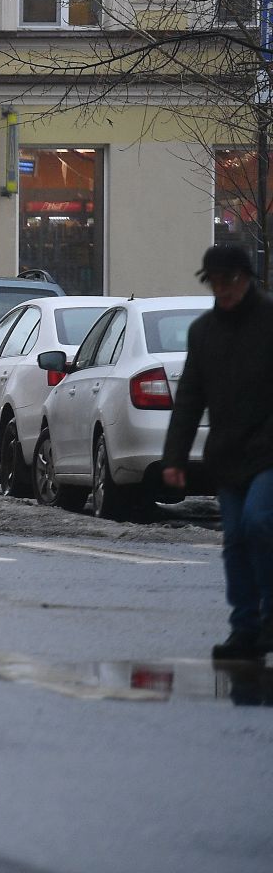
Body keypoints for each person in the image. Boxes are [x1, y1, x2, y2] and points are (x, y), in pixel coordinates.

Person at [162, 244, 273, 662]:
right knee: (234, 541)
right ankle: (244, 628)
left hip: (268, 452)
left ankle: (269, 618)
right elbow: (190, 396)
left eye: (231, 281)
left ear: (247, 279)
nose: (223, 290)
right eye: (216, 283)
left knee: (260, 523)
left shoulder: (269, 322)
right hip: (228, 455)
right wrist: (174, 458)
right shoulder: (204, 332)